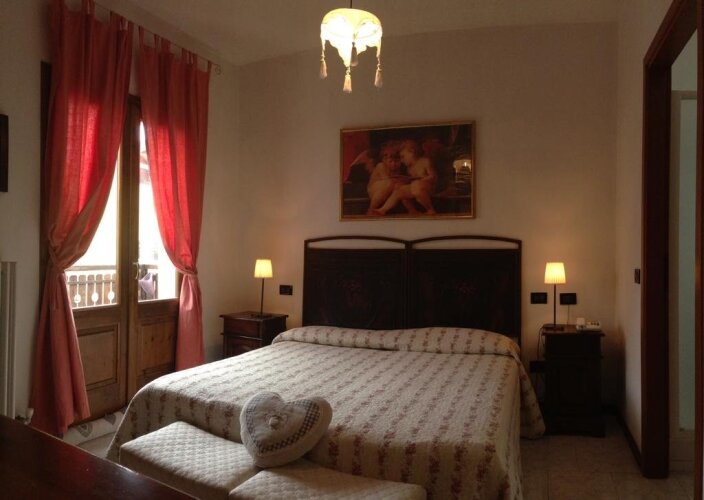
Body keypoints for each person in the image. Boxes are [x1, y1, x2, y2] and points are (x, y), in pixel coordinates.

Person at [373, 140, 437, 215]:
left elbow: (433, 176)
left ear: (411, 152)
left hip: (428, 187)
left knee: (416, 185)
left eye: (403, 157)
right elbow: (411, 181)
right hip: (415, 188)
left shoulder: (425, 161)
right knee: (399, 190)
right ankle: (383, 210)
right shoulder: (409, 168)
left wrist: (421, 180)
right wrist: (406, 180)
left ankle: (430, 209)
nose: (402, 160)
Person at [366, 142, 415, 214]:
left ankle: (411, 209)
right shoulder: (381, 166)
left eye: (396, 162)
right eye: (390, 161)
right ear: (384, 160)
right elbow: (387, 180)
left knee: (400, 187)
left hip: (390, 188)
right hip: (376, 189)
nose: (393, 164)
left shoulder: (399, 169)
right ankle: (371, 208)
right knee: (390, 183)